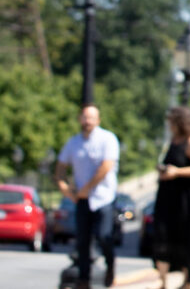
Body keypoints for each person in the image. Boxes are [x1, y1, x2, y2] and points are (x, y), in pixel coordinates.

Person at [55, 104, 120, 289]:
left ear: (98, 120)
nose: (87, 121)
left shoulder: (108, 139)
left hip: (103, 197)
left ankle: (110, 265)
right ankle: (84, 279)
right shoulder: (73, 142)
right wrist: (63, 186)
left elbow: (106, 167)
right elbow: (60, 167)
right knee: (82, 240)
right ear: (79, 119)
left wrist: (87, 188)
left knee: (103, 236)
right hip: (82, 199)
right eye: (84, 117)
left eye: (91, 118)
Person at [152, 106, 190, 289]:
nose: (169, 124)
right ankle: (162, 282)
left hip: (187, 201)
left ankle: (187, 282)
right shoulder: (173, 140)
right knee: (163, 238)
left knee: (187, 239)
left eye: (171, 121)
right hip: (169, 199)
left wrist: (177, 172)